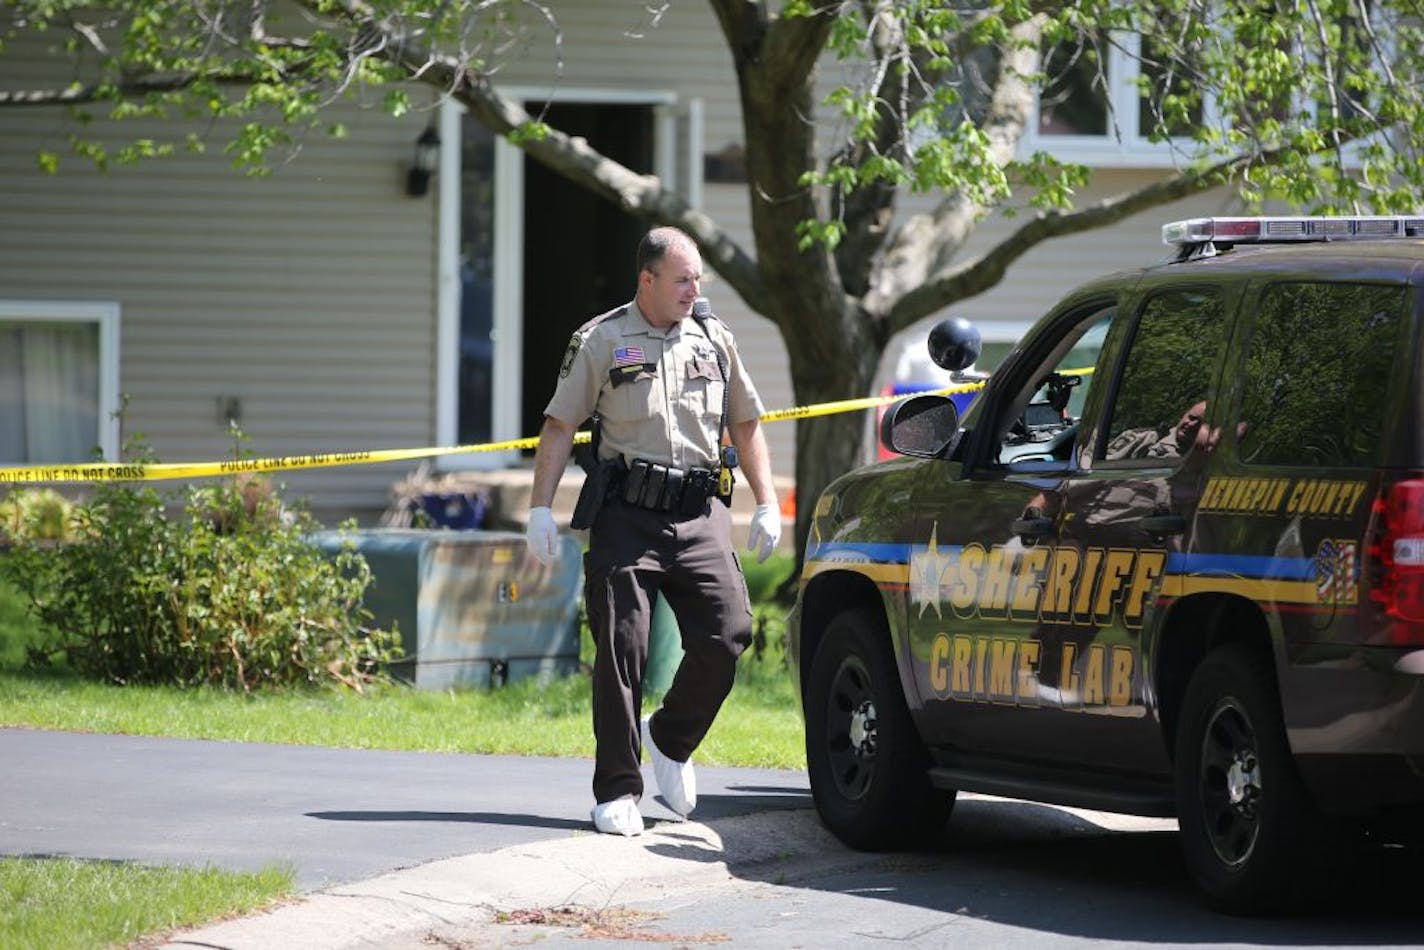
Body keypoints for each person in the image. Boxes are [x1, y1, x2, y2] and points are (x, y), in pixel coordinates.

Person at [523, 226, 782, 837]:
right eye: (683, 279)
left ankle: (669, 739)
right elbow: (560, 426)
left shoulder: (715, 339)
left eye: (699, 279)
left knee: (729, 632)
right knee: (622, 648)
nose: (694, 289)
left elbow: (745, 424)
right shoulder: (602, 340)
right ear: (647, 280)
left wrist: (767, 502)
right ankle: (617, 789)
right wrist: (539, 508)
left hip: (699, 514)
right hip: (627, 517)